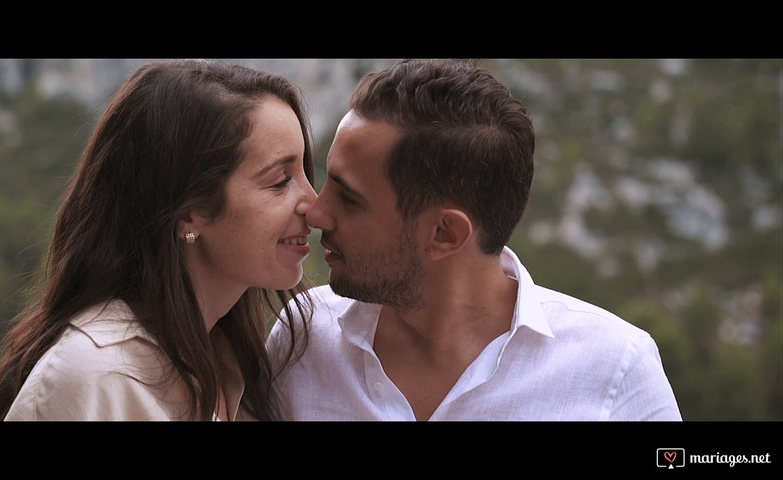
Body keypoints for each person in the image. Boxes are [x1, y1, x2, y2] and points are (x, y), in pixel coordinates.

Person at [266, 59, 682, 421]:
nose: (316, 213)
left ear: (445, 234)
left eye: (350, 199)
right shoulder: (303, 336)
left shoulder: (616, 370)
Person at [0, 59, 317, 421]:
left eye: (304, 173)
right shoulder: (94, 379)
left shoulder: (229, 364)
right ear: (189, 212)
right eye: (280, 180)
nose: (314, 206)